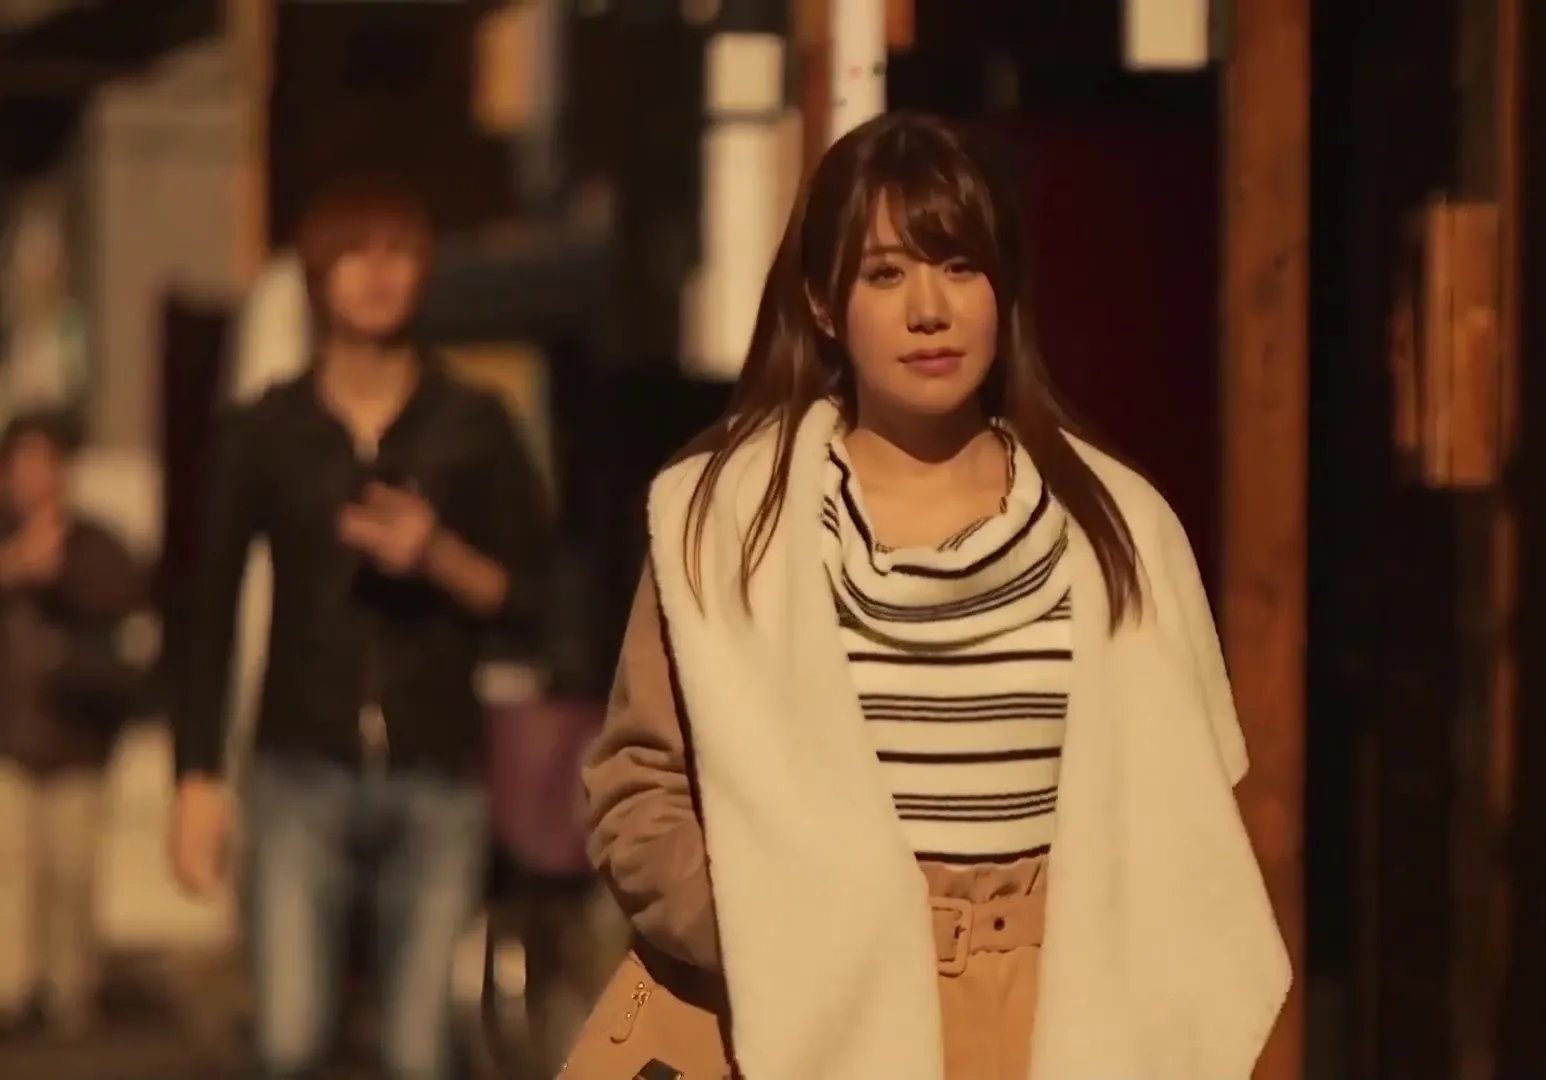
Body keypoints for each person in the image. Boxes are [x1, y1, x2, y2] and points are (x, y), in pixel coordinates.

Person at [581, 111, 1290, 1080]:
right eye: (885, 274)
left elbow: (1184, 813)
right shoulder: (728, 520)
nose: (929, 310)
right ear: (823, 304)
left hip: (1061, 1008)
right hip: (810, 1014)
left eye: (959, 267)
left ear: (1004, 289)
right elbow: (638, 786)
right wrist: (764, 929)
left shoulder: (1114, 526)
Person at [167, 177, 551, 1080]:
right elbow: (206, 606)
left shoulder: (474, 423)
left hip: (437, 773)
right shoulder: (267, 429)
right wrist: (196, 778)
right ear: (316, 277)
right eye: (354, 254)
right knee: (290, 1040)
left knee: (420, 1052)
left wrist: (438, 556)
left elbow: (536, 595)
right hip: (299, 767)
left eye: (399, 254)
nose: (378, 274)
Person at [0, 410, 146, 1039]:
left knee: (70, 870)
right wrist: (14, 567)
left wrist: (58, 570)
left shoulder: (98, 546)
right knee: (8, 867)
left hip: (79, 738)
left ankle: (68, 992)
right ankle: (10, 991)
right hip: (7, 739)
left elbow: (130, 618)